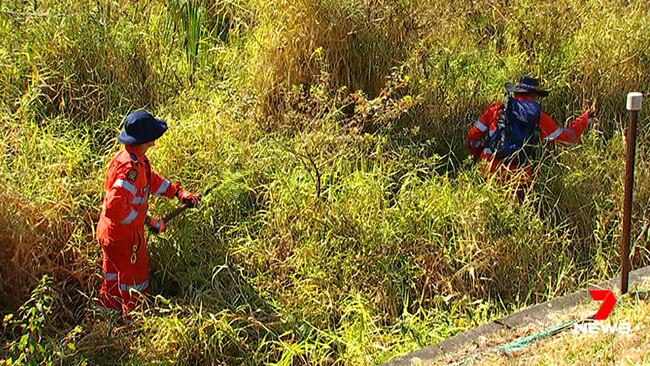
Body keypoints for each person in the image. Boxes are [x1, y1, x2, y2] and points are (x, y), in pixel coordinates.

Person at [96, 110, 201, 316]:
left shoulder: (133, 158)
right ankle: (136, 323)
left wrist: (178, 193)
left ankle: (107, 318)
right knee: (135, 283)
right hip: (125, 238)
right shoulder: (130, 168)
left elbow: (150, 180)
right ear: (147, 139)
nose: (155, 141)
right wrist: (147, 221)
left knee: (113, 278)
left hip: (110, 234)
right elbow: (114, 206)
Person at [465, 76, 595, 194]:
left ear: (515, 92)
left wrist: (478, 157)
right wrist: (584, 120)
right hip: (520, 178)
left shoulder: (496, 109)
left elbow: (473, 136)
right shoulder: (538, 116)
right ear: (534, 95)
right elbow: (568, 139)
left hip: (489, 172)